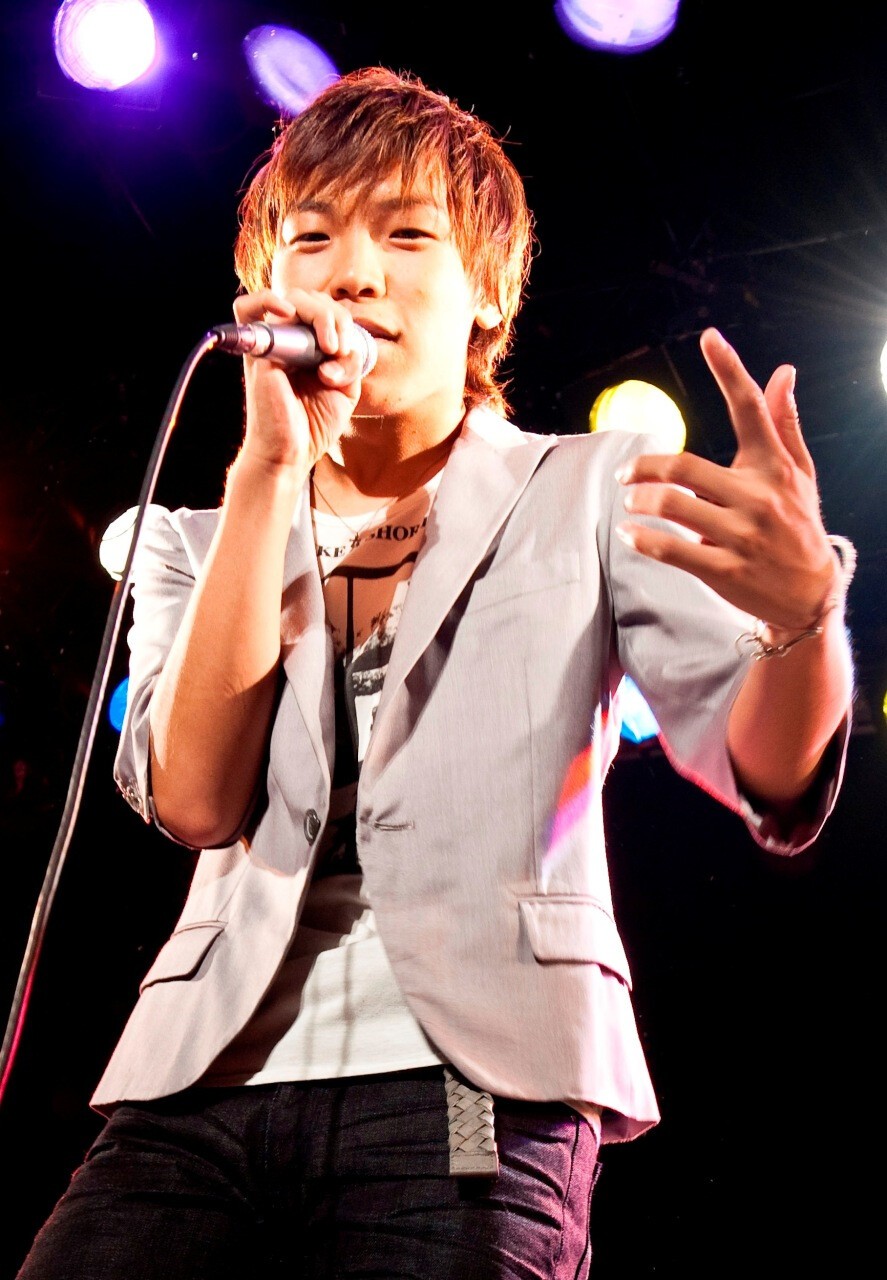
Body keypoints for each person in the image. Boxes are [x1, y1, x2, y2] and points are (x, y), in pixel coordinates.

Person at [17, 66, 855, 1279]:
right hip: (200, 1084)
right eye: (312, 239)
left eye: (406, 235)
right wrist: (267, 474)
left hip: (471, 1086)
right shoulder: (193, 541)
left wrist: (798, 618)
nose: (352, 274)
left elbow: (770, 768)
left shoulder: (585, 491)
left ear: (487, 295)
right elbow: (193, 798)